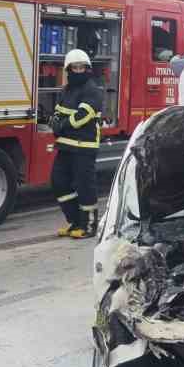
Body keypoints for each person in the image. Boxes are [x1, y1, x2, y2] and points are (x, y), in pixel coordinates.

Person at [51, 49, 104, 238]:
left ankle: (89, 226)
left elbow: (83, 115)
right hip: (65, 145)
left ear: (87, 69)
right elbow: (58, 111)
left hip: (85, 146)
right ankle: (75, 222)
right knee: (59, 182)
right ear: (69, 69)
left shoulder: (92, 89)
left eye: (82, 67)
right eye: (75, 67)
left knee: (85, 186)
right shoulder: (66, 90)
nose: (79, 71)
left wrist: (62, 125)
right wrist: (54, 121)